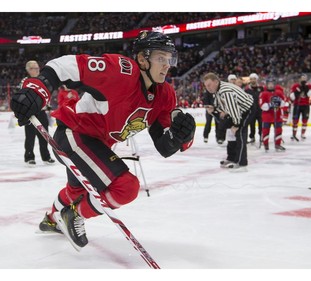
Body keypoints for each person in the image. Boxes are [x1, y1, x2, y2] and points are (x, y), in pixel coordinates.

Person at [10, 30, 196, 249]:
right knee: (126, 187)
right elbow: (65, 65)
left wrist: (182, 136)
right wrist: (37, 88)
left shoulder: (166, 95)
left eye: (169, 59)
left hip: (95, 144)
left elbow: (165, 145)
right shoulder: (120, 71)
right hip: (74, 134)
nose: (167, 65)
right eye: (160, 58)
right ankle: (75, 215)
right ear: (142, 59)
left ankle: (52, 219)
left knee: (76, 191)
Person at [203, 72, 253, 172]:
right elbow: (221, 108)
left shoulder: (225, 91)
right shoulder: (218, 90)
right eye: (206, 86)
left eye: (209, 85)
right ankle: (231, 158)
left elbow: (234, 109)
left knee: (239, 133)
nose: (207, 88)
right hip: (238, 111)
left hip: (247, 109)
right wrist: (214, 110)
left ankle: (241, 162)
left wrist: (236, 125)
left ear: (216, 82)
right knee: (228, 130)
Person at [18, 60, 55, 166]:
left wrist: (48, 105)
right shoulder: (25, 81)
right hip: (30, 114)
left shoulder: (42, 80)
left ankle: (46, 157)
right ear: (29, 70)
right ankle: (29, 156)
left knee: (44, 135)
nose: (37, 70)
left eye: (38, 67)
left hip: (42, 112)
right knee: (30, 136)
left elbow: (47, 93)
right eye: (35, 68)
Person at [259, 77, 286, 152]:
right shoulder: (263, 93)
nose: (271, 85)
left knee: (278, 130)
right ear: (266, 85)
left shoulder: (279, 93)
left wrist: (279, 102)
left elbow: (284, 103)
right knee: (265, 131)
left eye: (272, 84)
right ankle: (266, 145)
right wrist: (270, 105)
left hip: (277, 116)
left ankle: (277, 144)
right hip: (267, 116)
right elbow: (262, 106)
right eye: (269, 84)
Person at [289, 73, 311, 141]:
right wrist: (296, 92)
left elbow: (310, 94)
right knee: (295, 121)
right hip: (297, 105)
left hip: (306, 106)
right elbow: (292, 97)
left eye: (305, 78)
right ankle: (293, 134)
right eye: (302, 78)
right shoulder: (295, 86)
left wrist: (306, 88)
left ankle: (303, 134)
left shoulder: (309, 85)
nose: (303, 79)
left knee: (305, 120)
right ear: (299, 79)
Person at [244, 73, 263, 144]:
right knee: (252, 125)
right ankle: (252, 137)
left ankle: (261, 136)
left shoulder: (261, 88)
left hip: (260, 110)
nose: (252, 80)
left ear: (256, 79)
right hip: (251, 110)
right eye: (251, 79)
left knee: (261, 124)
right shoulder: (247, 89)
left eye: (254, 79)